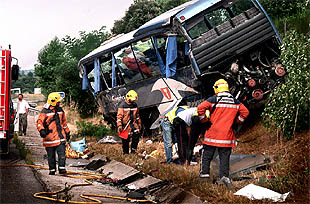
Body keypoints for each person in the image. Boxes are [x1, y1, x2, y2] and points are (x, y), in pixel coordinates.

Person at [197, 79, 249, 189]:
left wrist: (204, 120)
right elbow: (245, 112)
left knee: (207, 155)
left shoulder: (214, 99)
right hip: (227, 136)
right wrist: (237, 121)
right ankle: (224, 177)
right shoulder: (235, 101)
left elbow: (200, 108)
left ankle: (204, 176)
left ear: (216, 88)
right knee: (224, 158)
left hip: (212, 135)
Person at [36, 92, 70, 175]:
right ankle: (52, 169)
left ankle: (62, 168)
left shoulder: (60, 110)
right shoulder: (45, 111)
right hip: (49, 138)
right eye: (58, 101)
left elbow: (64, 123)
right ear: (53, 101)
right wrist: (41, 130)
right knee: (51, 155)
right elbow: (39, 122)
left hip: (60, 137)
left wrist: (67, 132)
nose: (59, 103)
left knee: (62, 153)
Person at [117, 90, 141, 154]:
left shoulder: (135, 105)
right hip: (125, 125)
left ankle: (133, 150)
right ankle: (126, 152)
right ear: (128, 98)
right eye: (132, 99)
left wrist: (139, 123)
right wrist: (119, 125)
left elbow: (137, 115)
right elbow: (119, 117)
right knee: (125, 139)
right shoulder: (122, 105)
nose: (133, 101)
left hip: (133, 123)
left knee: (136, 136)